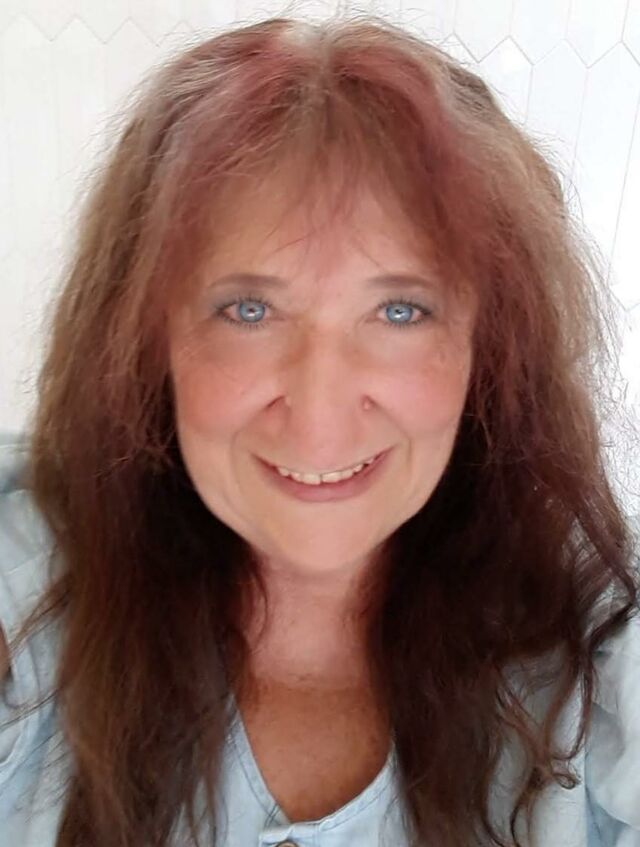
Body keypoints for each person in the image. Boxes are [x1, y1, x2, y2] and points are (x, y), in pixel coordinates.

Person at [1, 12, 639, 847]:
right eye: (249, 309)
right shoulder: (28, 586)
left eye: (400, 310)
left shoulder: (599, 646)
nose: (320, 411)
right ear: (146, 344)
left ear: (489, 350)